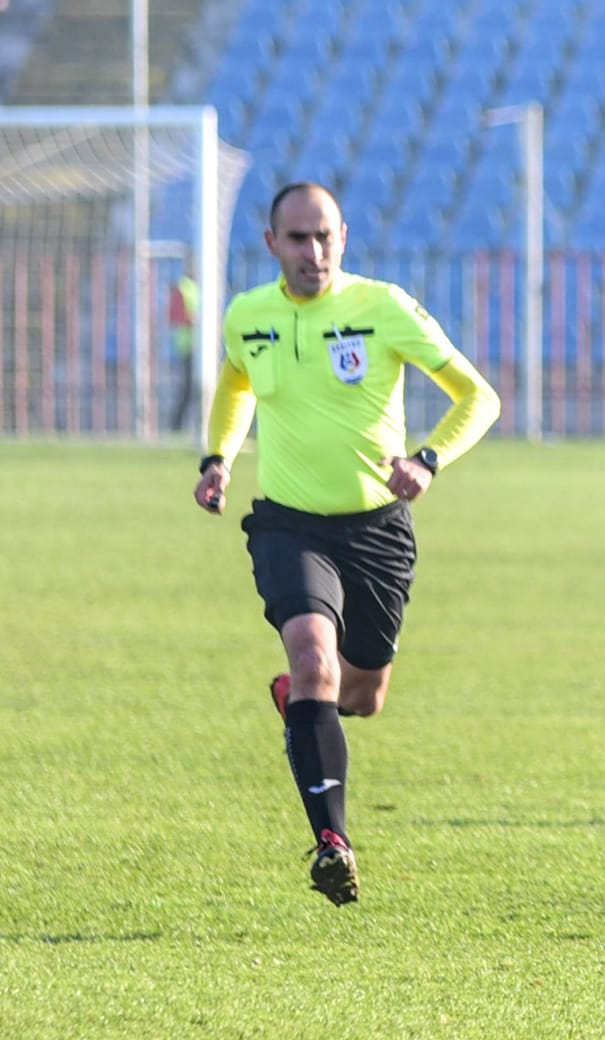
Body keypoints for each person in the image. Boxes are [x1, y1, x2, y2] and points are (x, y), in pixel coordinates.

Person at [193, 182, 500, 905]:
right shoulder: (249, 315)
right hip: (289, 525)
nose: (314, 250)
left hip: (377, 530)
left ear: (344, 237)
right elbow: (237, 383)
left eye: (325, 235)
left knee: (360, 693)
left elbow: (478, 396)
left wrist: (427, 460)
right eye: (298, 238)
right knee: (313, 660)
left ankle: (299, 700)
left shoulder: (382, 307)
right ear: (272, 244)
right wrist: (218, 458)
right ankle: (333, 843)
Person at [168, 271, 200, 433]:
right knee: (188, 388)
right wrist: (197, 322)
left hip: (202, 348)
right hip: (189, 346)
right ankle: (176, 426)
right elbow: (175, 315)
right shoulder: (183, 287)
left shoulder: (199, 288)